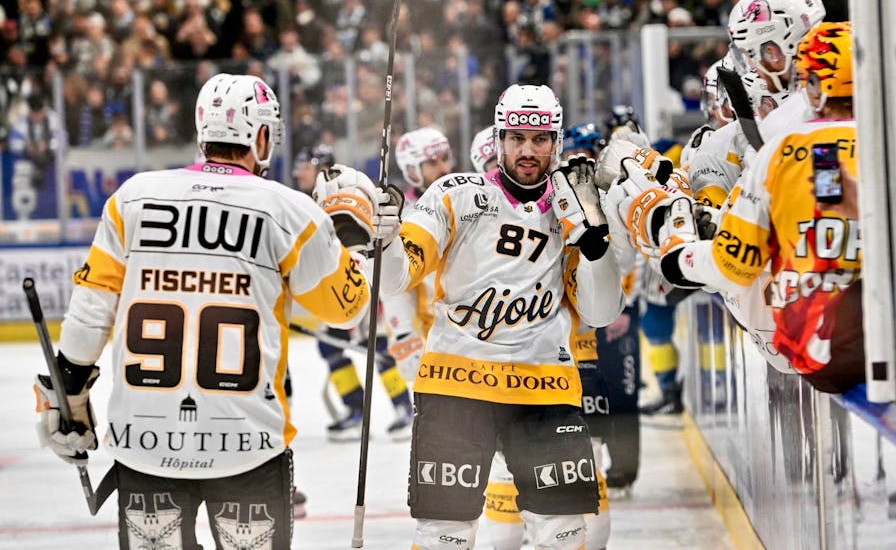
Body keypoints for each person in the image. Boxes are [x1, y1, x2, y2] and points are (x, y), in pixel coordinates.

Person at [32, 73, 385, 548]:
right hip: (247, 443)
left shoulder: (133, 198)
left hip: (144, 442)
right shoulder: (289, 210)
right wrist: (349, 247)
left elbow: (91, 310)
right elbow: (346, 309)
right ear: (261, 136)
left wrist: (66, 390)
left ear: (203, 132)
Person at [623, 22, 896, 392]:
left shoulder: (781, 151)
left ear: (811, 87)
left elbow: (735, 265)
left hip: (818, 358)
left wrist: (679, 257)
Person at [377, 84, 625, 549]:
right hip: (455, 387)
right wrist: (387, 239)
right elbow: (396, 279)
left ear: (556, 141)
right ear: (498, 138)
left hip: (544, 388)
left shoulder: (577, 203)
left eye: (539, 139)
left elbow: (600, 311)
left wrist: (594, 249)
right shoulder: (454, 194)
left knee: (563, 533)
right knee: (444, 535)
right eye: (516, 138)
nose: (527, 151)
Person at [293, 143, 417, 441]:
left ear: (321, 168)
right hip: (338, 286)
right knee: (332, 346)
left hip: (361, 282)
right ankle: (357, 410)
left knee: (378, 347)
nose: (300, 173)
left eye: (306, 166)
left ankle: (403, 407)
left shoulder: (340, 193)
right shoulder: (305, 200)